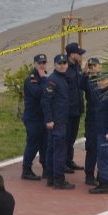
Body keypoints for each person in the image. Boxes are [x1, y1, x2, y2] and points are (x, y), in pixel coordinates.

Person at [42, 54, 74, 189]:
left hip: (60, 120)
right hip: (57, 121)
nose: (62, 65)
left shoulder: (62, 78)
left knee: (52, 149)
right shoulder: (53, 80)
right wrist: (49, 119)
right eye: (60, 63)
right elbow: (45, 101)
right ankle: (59, 179)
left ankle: (51, 177)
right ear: (55, 65)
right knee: (59, 151)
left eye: (64, 63)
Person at [20, 53, 49, 180]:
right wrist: (43, 79)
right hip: (33, 118)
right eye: (39, 63)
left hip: (43, 117)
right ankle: (26, 170)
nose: (42, 65)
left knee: (45, 144)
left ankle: (46, 168)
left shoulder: (45, 78)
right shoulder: (31, 79)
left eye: (44, 63)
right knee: (33, 144)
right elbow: (38, 93)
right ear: (35, 64)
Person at [63, 42, 87, 173]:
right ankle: (63, 163)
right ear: (72, 55)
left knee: (72, 137)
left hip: (77, 109)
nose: (80, 56)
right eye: (79, 54)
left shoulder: (77, 66)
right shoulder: (65, 68)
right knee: (65, 138)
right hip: (67, 110)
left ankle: (69, 160)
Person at [82, 57, 103, 187]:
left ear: (100, 66)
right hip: (92, 119)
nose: (93, 68)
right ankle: (89, 174)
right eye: (90, 66)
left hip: (103, 119)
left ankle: (102, 175)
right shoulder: (87, 81)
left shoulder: (104, 79)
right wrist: (85, 73)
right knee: (91, 147)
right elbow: (81, 85)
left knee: (104, 149)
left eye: (94, 65)